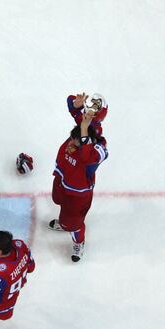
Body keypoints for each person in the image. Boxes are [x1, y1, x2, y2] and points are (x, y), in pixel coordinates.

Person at [48, 101, 109, 262]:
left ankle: (78, 240)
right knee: (57, 200)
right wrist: (77, 104)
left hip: (77, 195)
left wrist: (83, 128)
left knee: (73, 223)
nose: (71, 143)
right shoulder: (85, 128)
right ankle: (65, 221)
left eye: (77, 141)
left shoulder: (96, 151)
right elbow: (71, 105)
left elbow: (86, 155)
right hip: (62, 179)